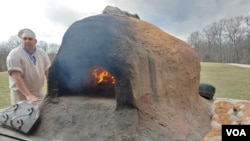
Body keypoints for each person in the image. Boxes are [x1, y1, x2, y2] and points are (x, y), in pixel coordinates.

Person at [6, 28, 51, 105]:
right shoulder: (14, 54)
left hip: (38, 92)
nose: (27, 41)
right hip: (20, 95)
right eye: (24, 39)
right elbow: (16, 77)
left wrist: (53, 89)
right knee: (22, 116)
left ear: (35, 41)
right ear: (21, 40)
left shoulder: (42, 53)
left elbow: (48, 71)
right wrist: (28, 95)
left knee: (41, 114)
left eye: (30, 39)